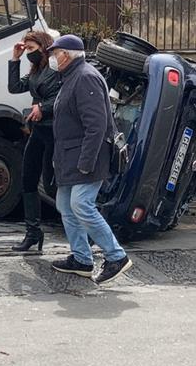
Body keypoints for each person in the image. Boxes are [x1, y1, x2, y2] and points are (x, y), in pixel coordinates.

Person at [45, 35, 132, 286]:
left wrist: (86, 162)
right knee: (65, 205)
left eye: (56, 52)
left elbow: (96, 126)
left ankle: (117, 256)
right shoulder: (72, 77)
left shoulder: (85, 77)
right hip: (71, 159)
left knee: (81, 204)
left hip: (87, 159)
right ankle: (82, 258)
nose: (53, 57)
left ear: (68, 54)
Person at [7, 29, 63, 253]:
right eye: (26, 48)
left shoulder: (54, 68)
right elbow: (13, 88)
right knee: (27, 180)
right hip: (38, 131)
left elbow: (61, 96)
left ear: (43, 47)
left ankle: (81, 223)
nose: (28, 52)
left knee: (51, 186)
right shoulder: (35, 70)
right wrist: (15, 59)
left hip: (54, 132)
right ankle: (33, 232)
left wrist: (42, 107)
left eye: (31, 49)